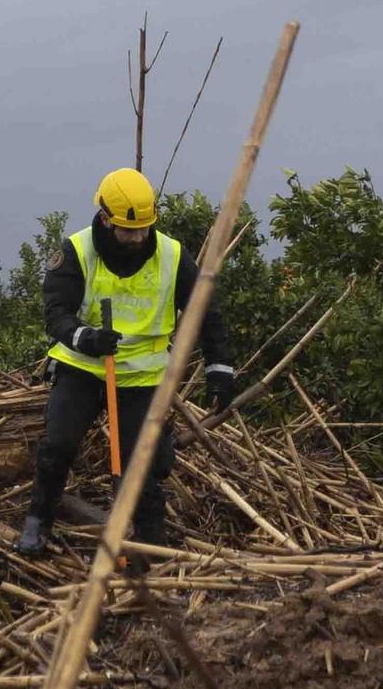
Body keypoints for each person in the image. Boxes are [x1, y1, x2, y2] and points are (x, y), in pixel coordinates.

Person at [15, 167, 234, 555]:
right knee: (59, 445)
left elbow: (206, 312)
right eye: (127, 230)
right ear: (104, 218)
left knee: (144, 463)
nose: (137, 238)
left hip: (141, 378)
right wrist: (88, 338)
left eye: (144, 229)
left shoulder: (171, 255)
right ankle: (37, 522)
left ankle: (151, 545)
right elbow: (57, 314)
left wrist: (220, 368)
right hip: (82, 367)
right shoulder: (76, 252)